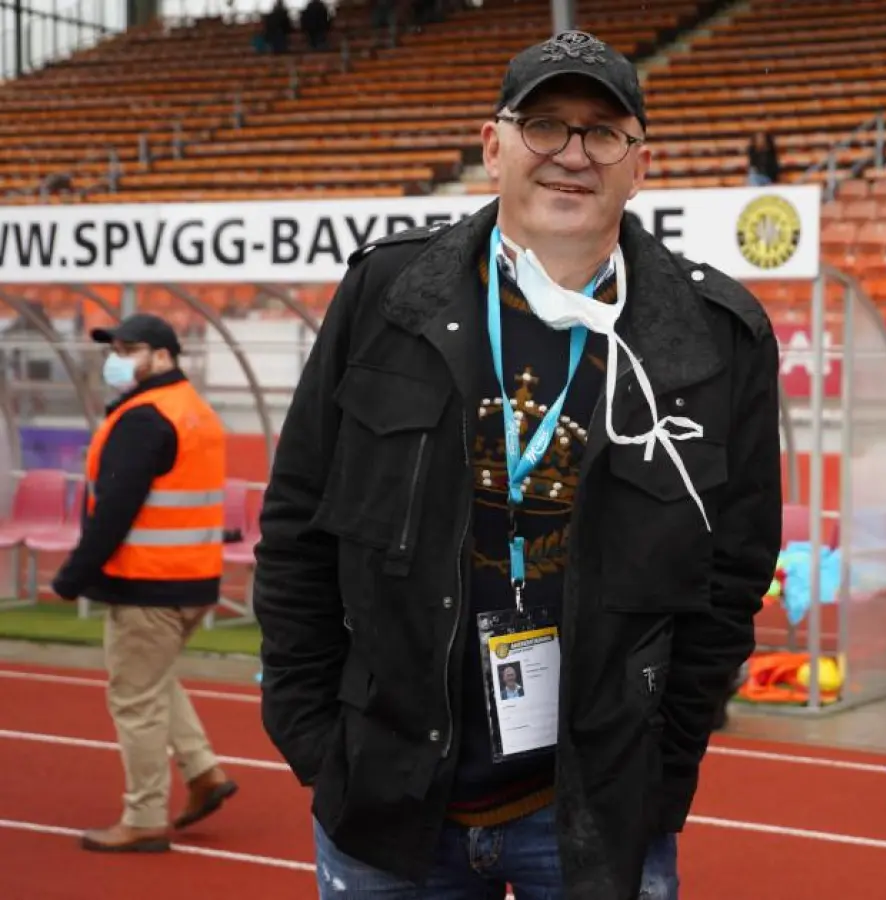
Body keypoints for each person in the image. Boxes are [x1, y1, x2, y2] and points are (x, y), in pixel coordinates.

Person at [253, 29, 783, 900]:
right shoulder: (388, 295)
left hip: (598, 807)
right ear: (494, 147)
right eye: (544, 125)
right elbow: (297, 520)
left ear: (640, 166)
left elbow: (733, 572)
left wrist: (663, 764)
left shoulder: (715, 337)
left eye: (602, 132)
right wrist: (313, 732)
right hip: (388, 790)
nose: (572, 154)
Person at [52, 312, 238, 853]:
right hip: (192, 579)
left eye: (127, 349)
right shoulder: (192, 409)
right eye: (114, 350)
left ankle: (144, 816)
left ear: (162, 356)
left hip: (147, 583)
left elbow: (116, 508)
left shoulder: (144, 418)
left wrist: (72, 576)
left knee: (134, 699)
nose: (116, 360)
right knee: (151, 682)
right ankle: (203, 772)